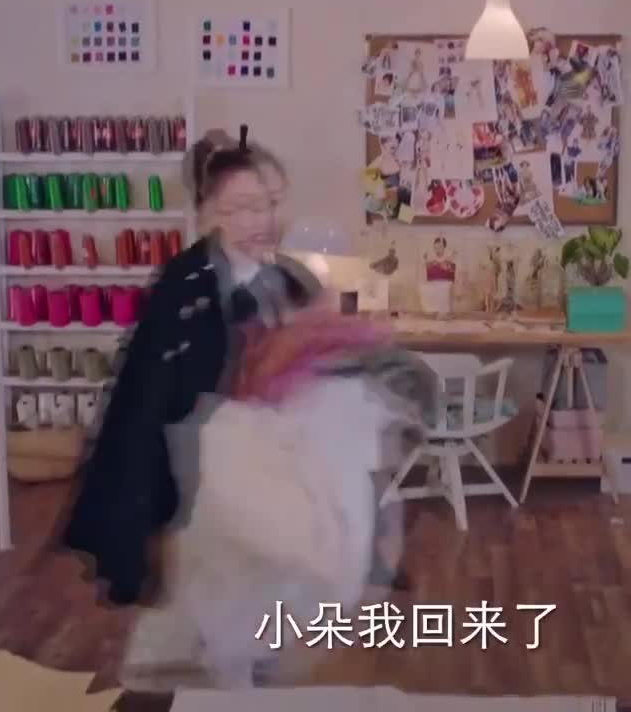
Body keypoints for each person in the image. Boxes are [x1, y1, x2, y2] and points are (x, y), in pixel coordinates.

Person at [62, 126, 407, 605]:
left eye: (269, 203)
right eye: (242, 207)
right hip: (202, 496)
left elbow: (319, 366)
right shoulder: (183, 286)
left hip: (273, 495)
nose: (261, 220)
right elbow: (145, 406)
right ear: (209, 212)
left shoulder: (290, 277)